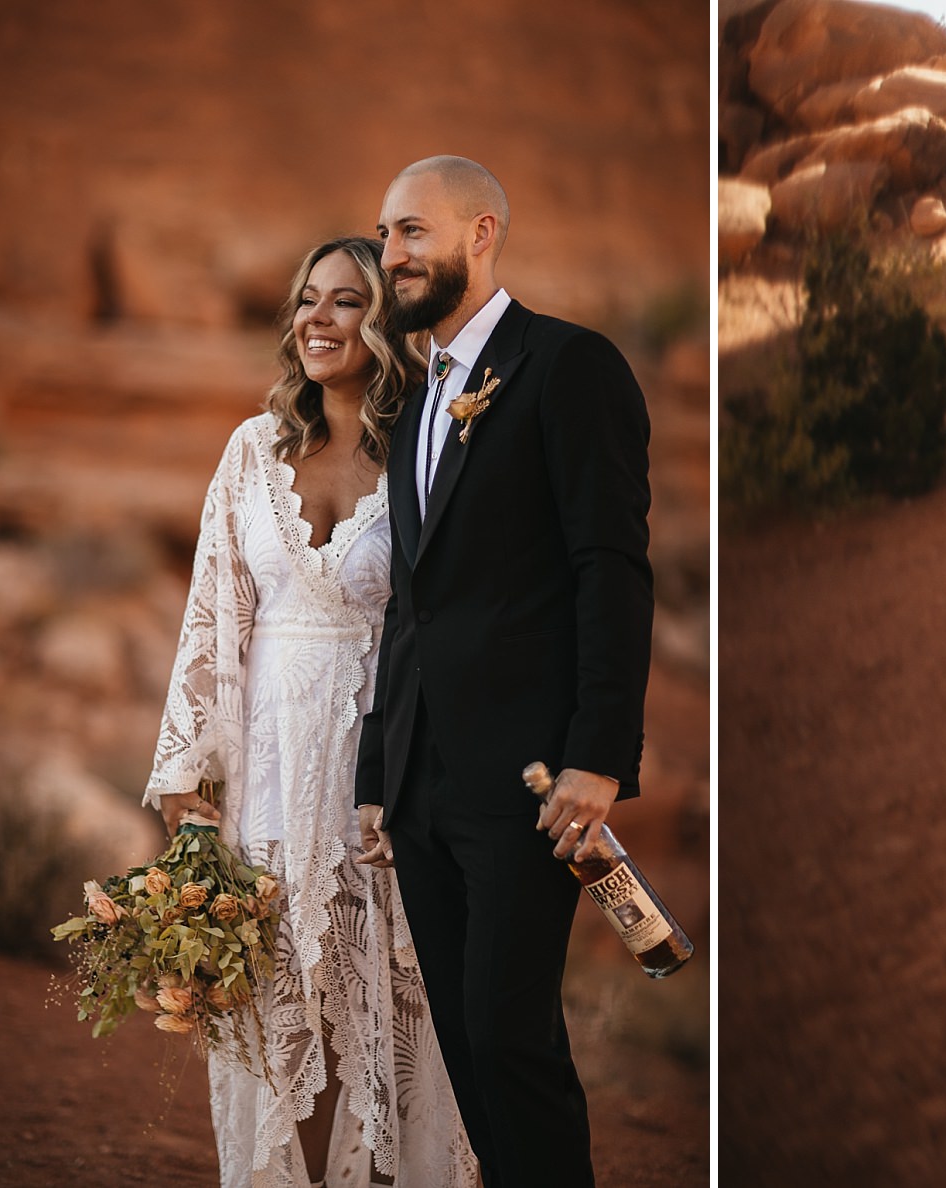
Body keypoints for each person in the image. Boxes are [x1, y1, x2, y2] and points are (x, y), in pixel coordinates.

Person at [144, 236, 477, 1188]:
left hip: (385, 767)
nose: (317, 320)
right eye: (306, 301)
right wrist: (190, 773)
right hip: (267, 772)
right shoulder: (253, 450)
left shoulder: (425, 452)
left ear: (383, 324)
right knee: (278, 1000)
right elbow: (213, 611)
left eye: (344, 302)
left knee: (377, 1007)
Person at [352, 155, 654, 1188]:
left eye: (412, 233)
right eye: (387, 235)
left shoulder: (568, 366)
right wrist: (376, 774)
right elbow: (414, 602)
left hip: (530, 784)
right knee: (469, 1046)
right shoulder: (417, 395)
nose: (392, 254)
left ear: (481, 234)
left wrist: (597, 756)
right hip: (425, 781)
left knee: (510, 1038)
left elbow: (608, 570)